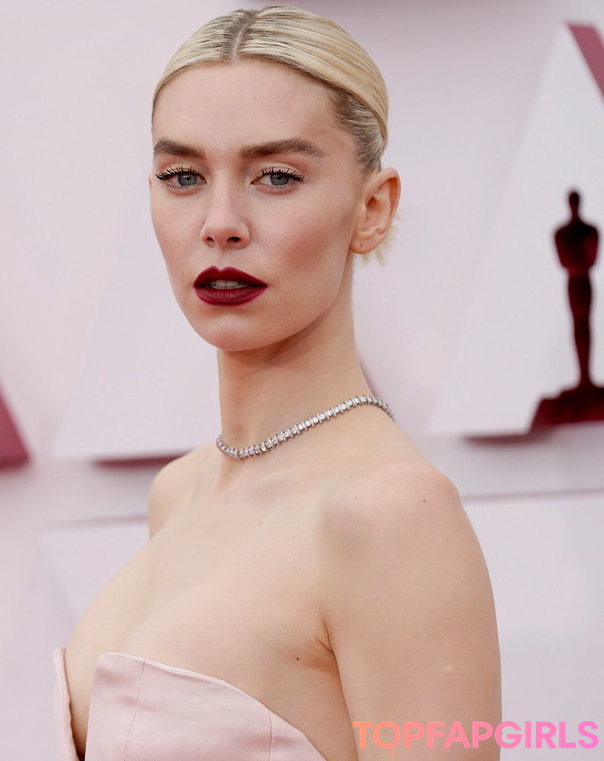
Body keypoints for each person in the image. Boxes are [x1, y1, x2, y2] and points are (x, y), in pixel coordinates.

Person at [53, 7, 501, 761]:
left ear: (372, 209)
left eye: (276, 177)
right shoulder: (179, 491)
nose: (220, 223)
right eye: (183, 176)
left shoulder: (391, 513)